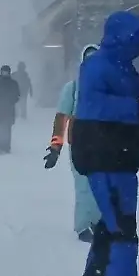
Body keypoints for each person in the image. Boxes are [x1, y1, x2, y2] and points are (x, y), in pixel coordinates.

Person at [71, 10, 139, 276]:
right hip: (106, 155)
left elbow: (126, 114)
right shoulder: (97, 65)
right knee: (122, 227)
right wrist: (138, 106)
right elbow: (94, 107)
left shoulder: (124, 68)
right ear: (121, 38)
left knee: (111, 222)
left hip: (120, 154)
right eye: (136, 39)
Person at [44, 44, 102, 242]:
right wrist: (55, 147)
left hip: (102, 143)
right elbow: (61, 118)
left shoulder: (105, 88)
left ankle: (97, 221)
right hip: (79, 143)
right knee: (83, 185)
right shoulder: (73, 88)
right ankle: (82, 226)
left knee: (100, 183)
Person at [0, 65, 22, 154]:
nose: (5, 73)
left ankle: (6, 147)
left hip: (9, 109)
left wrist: (11, 101)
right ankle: (0, 147)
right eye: (4, 71)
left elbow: (17, 95)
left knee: (7, 128)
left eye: (6, 72)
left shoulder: (13, 83)